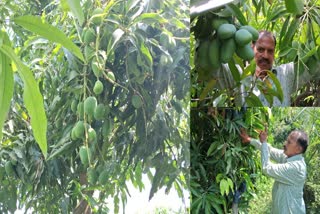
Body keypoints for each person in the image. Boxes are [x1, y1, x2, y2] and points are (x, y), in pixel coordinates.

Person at [214, 30, 313, 107]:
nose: (265, 56)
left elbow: (312, 66)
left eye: (270, 51)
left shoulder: (286, 74)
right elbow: (212, 68)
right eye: (261, 49)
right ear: (251, 48)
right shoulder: (237, 75)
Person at [239, 128, 308, 214]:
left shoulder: (296, 167)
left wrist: (264, 142)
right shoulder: (289, 157)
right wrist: (249, 140)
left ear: (298, 149)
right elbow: (270, 150)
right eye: (287, 141)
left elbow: (267, 168)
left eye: (289, 142)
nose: (285, 144)